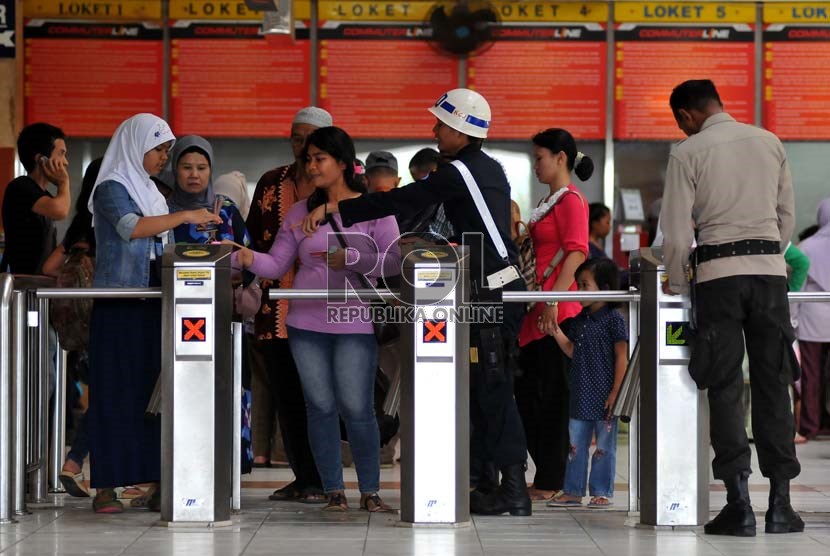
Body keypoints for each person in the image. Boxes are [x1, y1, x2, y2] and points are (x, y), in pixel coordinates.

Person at [302, 88, 531, 516]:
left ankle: (513, 488)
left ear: (461, 129)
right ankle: (487, 483)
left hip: (494, 291)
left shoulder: (460, 171)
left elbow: (404, 200)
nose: (434, 131)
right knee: (483, 388)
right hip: (491, 286)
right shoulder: (484, 168)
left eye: (441, 124)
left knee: (495, 390)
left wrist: (342, 209)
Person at [661, 79, 803, 536]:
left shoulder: (687, 152)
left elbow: (678, 232)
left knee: (725, 386)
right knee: (773, 382)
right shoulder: (769, 141)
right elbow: (786, 219)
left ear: (685, 115)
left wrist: (679, 280)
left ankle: (738, 505)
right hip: (768, 275)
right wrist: (764, 254)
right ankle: (781, 504)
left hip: (718, 277)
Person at [235, 126, 401, 512]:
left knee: (357, 406)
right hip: (305, 324)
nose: (310, 167)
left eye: (319, 159)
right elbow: (276, 263)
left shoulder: (373, 207)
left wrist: (354, 259)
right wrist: (243, 255)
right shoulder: (300, 212)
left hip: (355, 321)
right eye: (307, 159)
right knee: (320, 406)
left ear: (342, 163)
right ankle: (333, 491)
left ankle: (371, 491)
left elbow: (394, 262)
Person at [86, 114, 220, 514]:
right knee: (114, 390)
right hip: (120, 300)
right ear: (135, 147)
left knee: (153, 394)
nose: (164, 157)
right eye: (158, 149)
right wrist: (186, 216)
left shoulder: (152, 192)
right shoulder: (112, 187)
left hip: (155, 300)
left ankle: (157, 479)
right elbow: (131, 228)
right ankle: (106, 486)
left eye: (165, 151)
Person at [245, 106, 331, 499]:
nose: (302, 145)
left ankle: (330, 477)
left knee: (324, 396)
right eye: (297, 137)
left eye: (311, 138)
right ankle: (306, 478)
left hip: (329, 309)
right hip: (276, 307)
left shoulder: (345, 185)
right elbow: (251, 241)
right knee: (287, 396)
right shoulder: (269, 181)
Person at [516, 128, 592, 502]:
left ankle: (551, 478)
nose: (535, 165)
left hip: (556, 310)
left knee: (550, 397)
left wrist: (553, 301)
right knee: (531, 393)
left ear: (561, 158)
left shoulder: (572, 201)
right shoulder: (550, 201)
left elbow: (576, 252)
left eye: (540, 157)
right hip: (538, 307)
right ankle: (546, 474)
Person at [548, 258, 627, 509]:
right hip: (580, 394)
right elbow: (573, 351)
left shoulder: (614, 319)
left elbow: (621, 356)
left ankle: (601, 491)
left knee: (604, 447)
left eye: (585, 285)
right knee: (575, 446)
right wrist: (556, 332)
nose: (579, 291)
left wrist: (616, 391)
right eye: (578, 285)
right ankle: (572, 490)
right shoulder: (580, 319)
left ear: (604, 288)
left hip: (605, 395)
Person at [1, 122, 70, 274]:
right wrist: (64, 182)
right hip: (23, 287)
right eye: (61, 153)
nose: (65, 162)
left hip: (38, 285)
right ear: (41, 159)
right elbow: (61, 210)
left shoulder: (45, 196)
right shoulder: (20, 187)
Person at [793, 199, 830, 442]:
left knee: (811, 375)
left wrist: (792, 318)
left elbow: (797, 289)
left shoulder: (806, 247)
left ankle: (810, 425)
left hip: (812, 319)